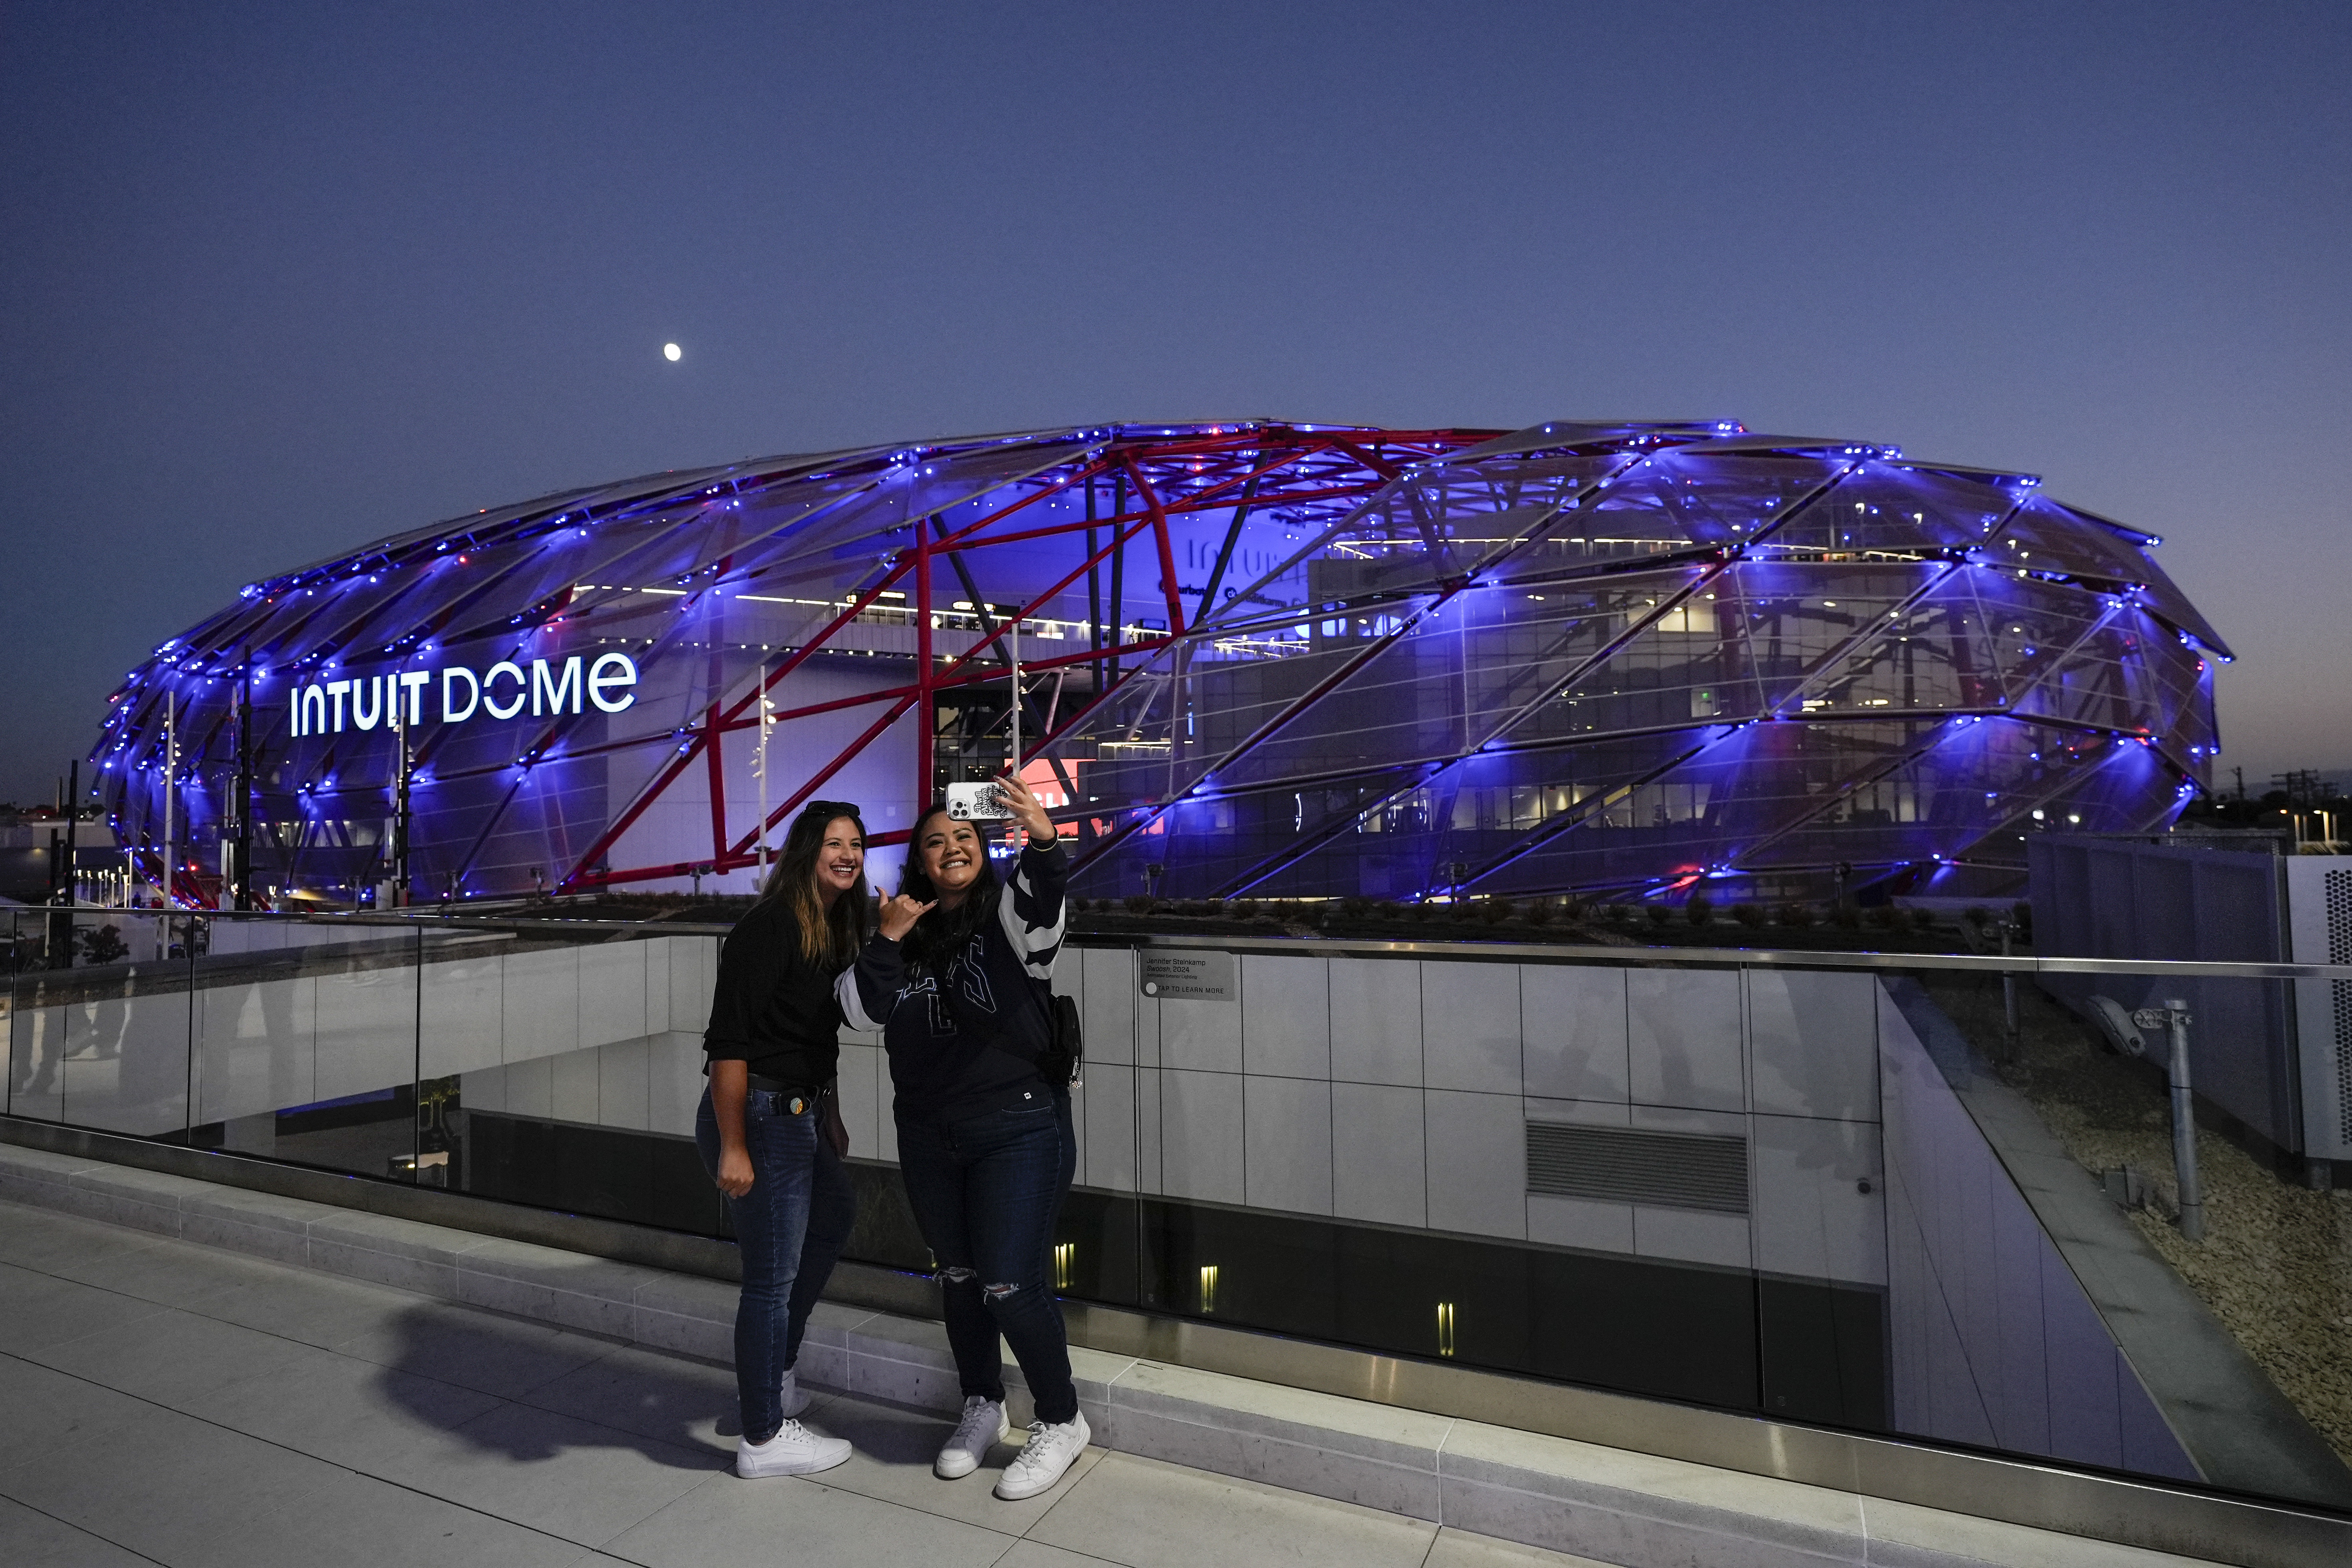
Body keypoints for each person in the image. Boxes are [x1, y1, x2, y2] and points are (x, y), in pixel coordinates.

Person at [839, 775, 1087, 1501]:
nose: (951, 847)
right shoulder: (900, 930)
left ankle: (1062, 1417)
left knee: (1010, 1281)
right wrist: (888, 937)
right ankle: (982, 1399)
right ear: (919, 859)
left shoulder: (1006, 918)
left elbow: (1045, 915)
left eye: (965, 837)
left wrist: (1042, 841)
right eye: (935, 841)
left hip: (1017, 1126)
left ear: (983, 851)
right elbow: (857, 1011)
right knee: (959, 1278)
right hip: (926, 1132)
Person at [696, 801, 868, 1478]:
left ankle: (774, 1375)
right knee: (770, 1279)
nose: (849, 853)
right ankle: (764, 1437)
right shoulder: (768, 927)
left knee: (835, 1217)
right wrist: (734, 1145)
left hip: (795, 1114)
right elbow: (728, 1044)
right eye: (835, 843)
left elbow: (812, 1038)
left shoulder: (829, 924)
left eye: (857, 843)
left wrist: (830, 1112)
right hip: (759, 1119)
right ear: (805, 851)